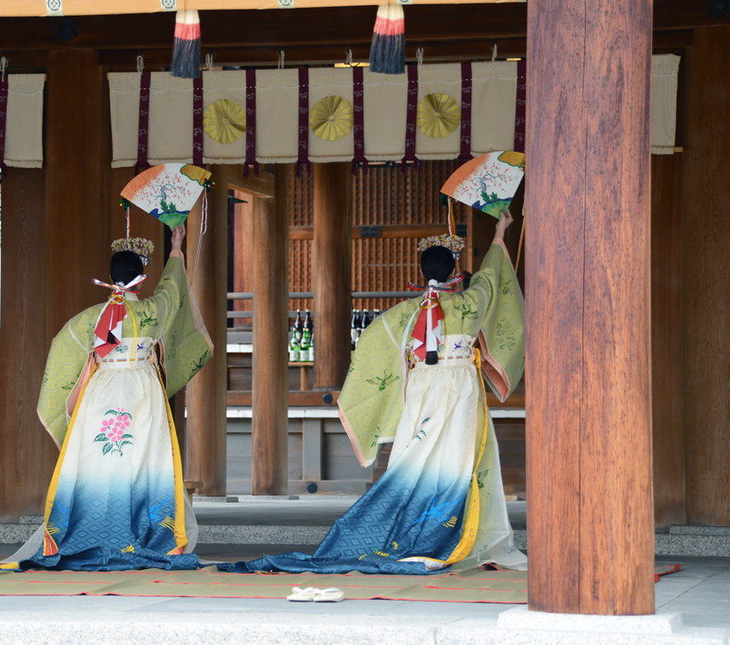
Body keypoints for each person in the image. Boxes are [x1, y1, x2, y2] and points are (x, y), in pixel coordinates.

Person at [222, 210, 525, 575]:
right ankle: (459, 536)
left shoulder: (406, 313)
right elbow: (491, 279)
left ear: (421, 271)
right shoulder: (470, 302)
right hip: (460, 387)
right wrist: (499, 234)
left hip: (422, 387)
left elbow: (371, 341)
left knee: (416, 455)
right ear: (455, 272)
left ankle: (419, 527)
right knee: (461, 458)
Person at [3, 224, 212, 571]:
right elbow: (173, 291)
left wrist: (85, 370)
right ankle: (146, 534)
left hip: (101, 392)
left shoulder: (91, 318)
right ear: (142, 279)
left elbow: (61, 346)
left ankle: (90, 532)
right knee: (145, 462)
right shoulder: (153, 311)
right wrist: (177, 248)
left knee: (98, 461)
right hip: (143, 393)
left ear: (111, 278)